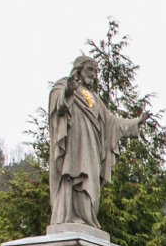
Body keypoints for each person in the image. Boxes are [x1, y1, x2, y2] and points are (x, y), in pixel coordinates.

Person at [48, 56, 148, 231]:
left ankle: (85, 217)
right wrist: (68, 92)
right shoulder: (64, 85)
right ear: (79, 69)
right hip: (74, 145)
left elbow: (111, 121)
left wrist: (135, 123)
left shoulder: (94, 98)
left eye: (95, 71)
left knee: (89, 182)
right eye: (90, 70)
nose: (93, 74)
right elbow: (58, 105)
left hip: (92, 147)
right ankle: (69, 215)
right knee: (72, 176)